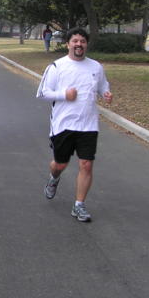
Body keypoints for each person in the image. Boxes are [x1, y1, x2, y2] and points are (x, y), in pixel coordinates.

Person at [36, 28, 113, 222]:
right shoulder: (57, 66)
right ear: (68, 43)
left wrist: (106, 94)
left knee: (86, 164)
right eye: (75, 41)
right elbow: (43, 93)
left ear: (87, 44)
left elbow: (103, 86)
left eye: (82, 41)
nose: (79, 44)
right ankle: (54, 178)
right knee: (60, 164)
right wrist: (64, 95)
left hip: (89, 124)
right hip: (63, 125)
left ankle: (79, 205)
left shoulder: (96, 67)